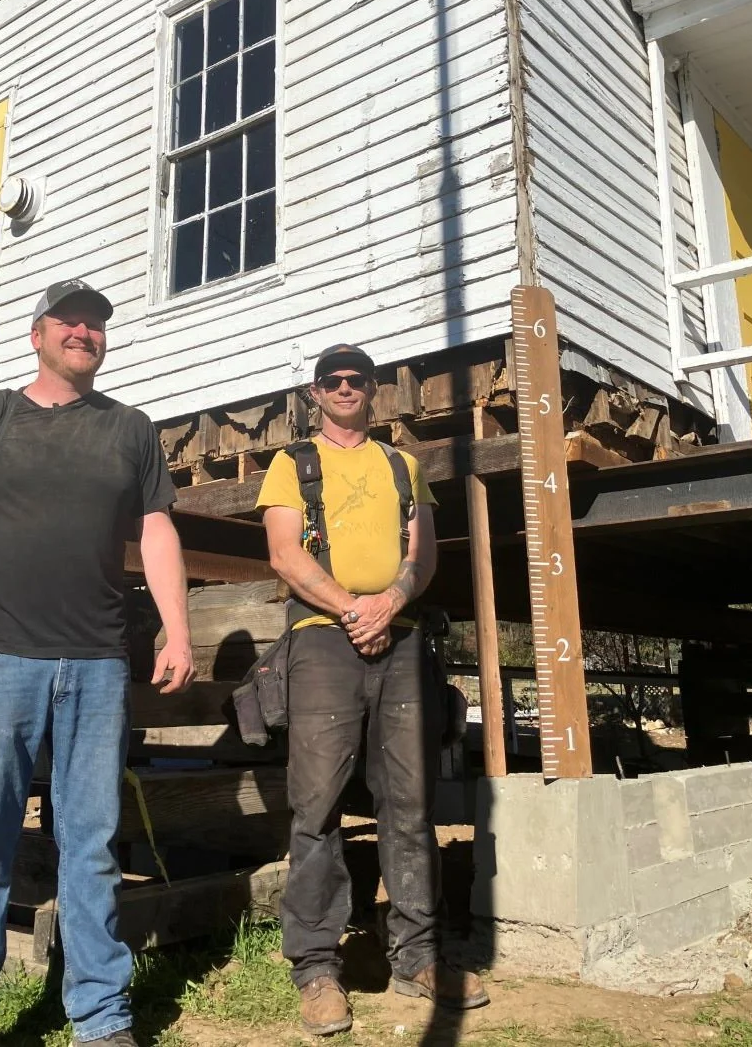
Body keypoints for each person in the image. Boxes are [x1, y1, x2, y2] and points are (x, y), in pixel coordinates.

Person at [0, 279, 194, 1047]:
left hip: (96, 664)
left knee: (90, 844)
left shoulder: (131, 428)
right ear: (36, 333)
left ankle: (100, 1015)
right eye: (69, 320)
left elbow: (156, 532)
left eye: (96, 323)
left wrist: (179, 631)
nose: (84, 331)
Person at [257, 343, 488, 1036]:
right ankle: (318, 967)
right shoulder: (292, 462)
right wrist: (352, 607)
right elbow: (284, 551)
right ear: (317, 391)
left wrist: (391, 598)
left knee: (410, 801)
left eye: (360, 379)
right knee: (317, 803)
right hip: (324, 639)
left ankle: (419, 955)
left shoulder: (402, 464)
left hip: (404, 637)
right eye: (335, 379)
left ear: (375, 390)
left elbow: (424, 551)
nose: (348, 387)